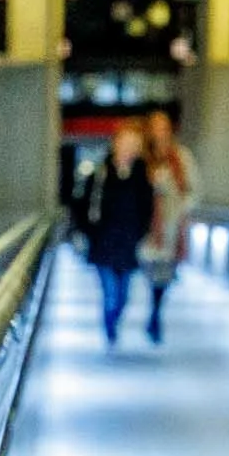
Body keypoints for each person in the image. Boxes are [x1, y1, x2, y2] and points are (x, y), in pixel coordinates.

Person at [78, 122, 156, 346]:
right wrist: (91, 232)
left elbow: (147, 209)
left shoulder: (142, 176)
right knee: (110, 292)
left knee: (123, 295)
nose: (129, 149)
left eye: (134, 144)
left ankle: (113, 319)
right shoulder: (100, 174)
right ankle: (109, 326)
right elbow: (83, 205)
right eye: (126, 143)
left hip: (128, 244)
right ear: (116, 144)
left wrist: (140, 233)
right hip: (103, 243)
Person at [138, 109, 199, 345]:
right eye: (155, 127)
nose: (159, 133)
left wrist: (182, 209)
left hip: (172, 227)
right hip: (148, 225)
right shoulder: (143, 158)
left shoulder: (181, 157)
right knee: (149, 269)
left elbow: (193, 190)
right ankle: (153, 309)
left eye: (163, 127)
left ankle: (155, 312)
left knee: (163, 274)